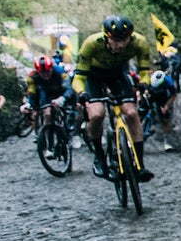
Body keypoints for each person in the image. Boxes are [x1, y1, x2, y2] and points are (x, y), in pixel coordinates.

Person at [72, 16, 156, 181]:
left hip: (118, 73)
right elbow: (78, 77)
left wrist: (144, 84)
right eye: (116, 40)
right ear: (106, 37)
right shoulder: (92, 43)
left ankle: (139, 165)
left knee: (131, 113)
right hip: (93, 76)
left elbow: (145, 71)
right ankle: (99, 156)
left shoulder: (139, 42)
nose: (121, 45)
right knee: (97, 114)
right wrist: (82, 93)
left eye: (125, 40)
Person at [23, 55, 67, 132]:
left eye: (48, 71)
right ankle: (48, 133)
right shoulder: (32, 76)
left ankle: (73, 132)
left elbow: (68, 88)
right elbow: (32, 92)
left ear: (51, 68)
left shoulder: (60, 72)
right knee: (47, 112)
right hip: (48, 94)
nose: (45, 75)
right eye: (42, 72)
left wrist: (63, 98)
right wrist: (28, 104)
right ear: (38, 71)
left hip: (62, 92)